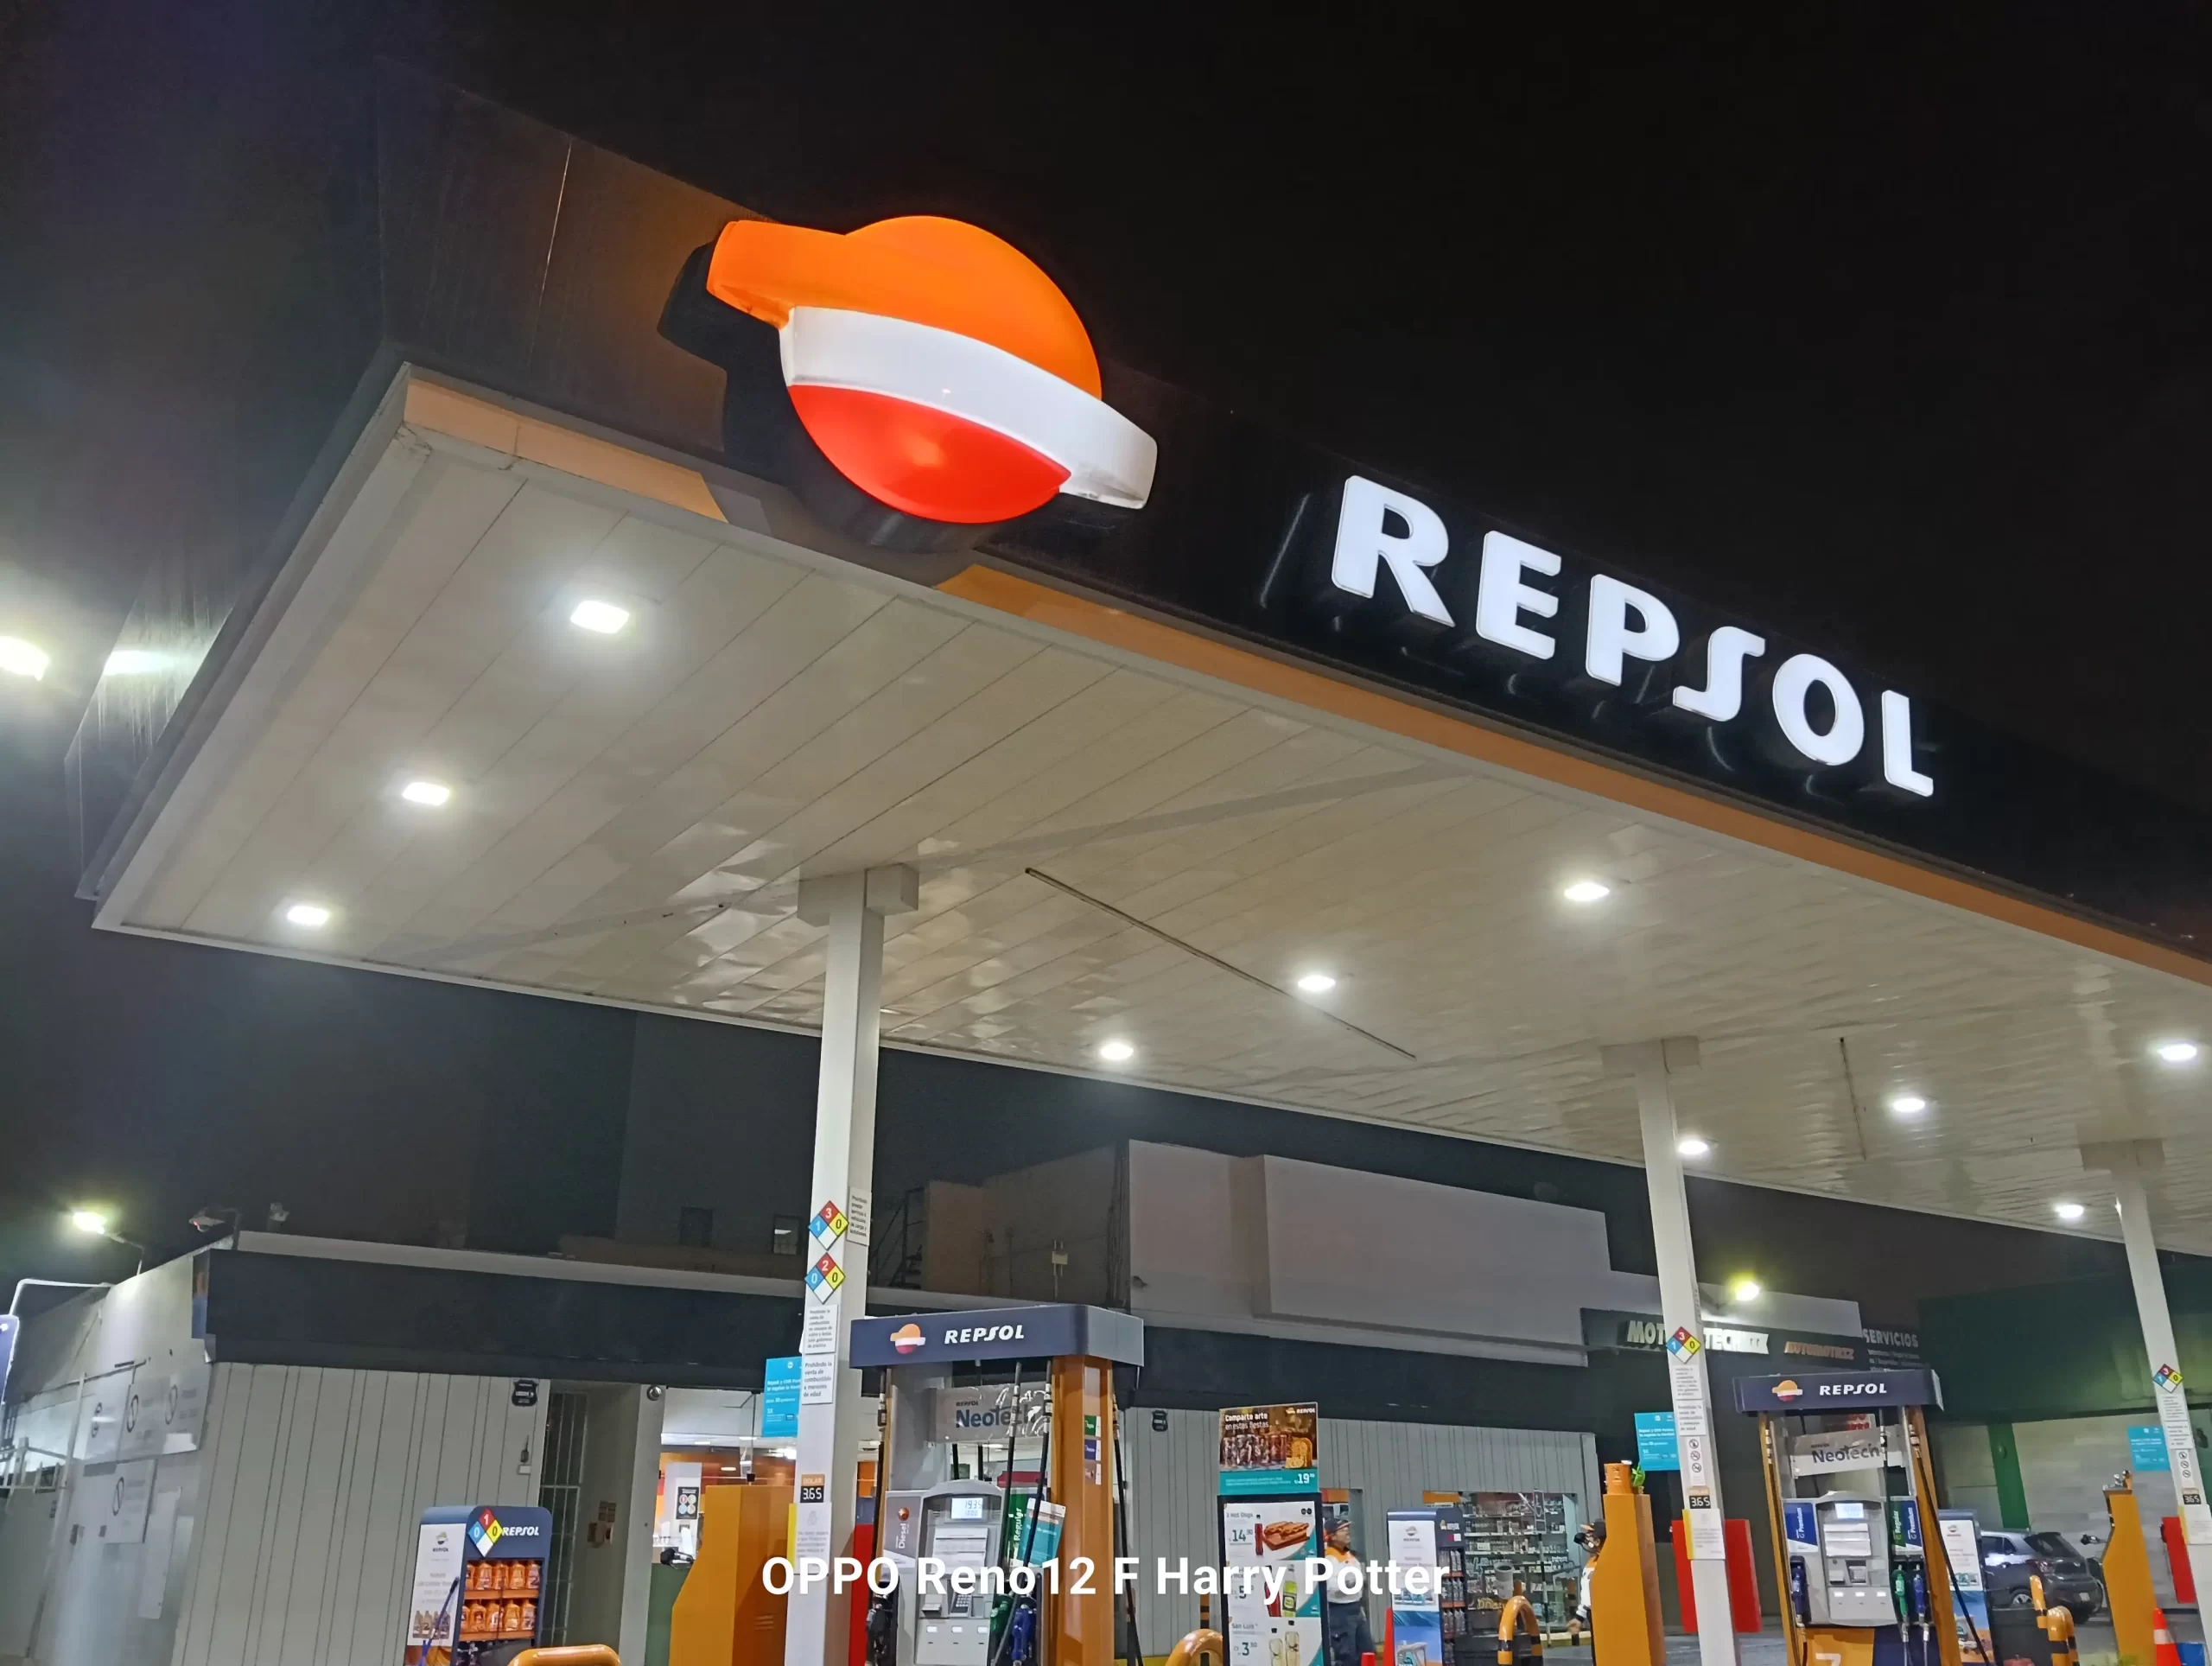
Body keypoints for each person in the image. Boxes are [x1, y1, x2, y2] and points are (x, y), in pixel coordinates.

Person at [1323, 1518, 1376, 1666]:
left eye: (1347, 1528)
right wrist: (1350, 1582)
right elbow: (1330, 1587)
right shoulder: (1328, 1558)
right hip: (1340, 1613)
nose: (1347, 1532)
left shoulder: (1348, 1554)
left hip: (1356, 1609)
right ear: (1332, 1536)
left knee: (1367, 1652)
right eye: (1342, 1530)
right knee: (1347, 1656)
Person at [1567, 1521, 1605, 1648]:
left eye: (1590, 1534)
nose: (1586, 1536)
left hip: (1604, 1615)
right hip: (1592, 1614)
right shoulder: (1592, 1562)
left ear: (1597, 1541)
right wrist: (1579, 1617)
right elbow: (1587, 1596)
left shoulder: (1605, 1563)